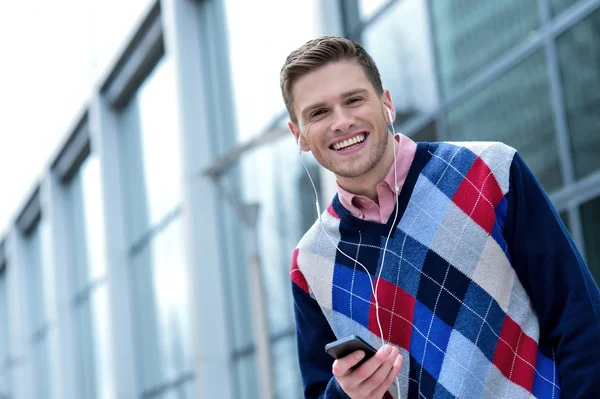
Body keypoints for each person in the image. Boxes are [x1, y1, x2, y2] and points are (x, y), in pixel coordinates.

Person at [281, 36, 600, 399]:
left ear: (387, 104)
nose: (341, 122)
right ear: (300, 136)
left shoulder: (489, 171)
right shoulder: (309, 262)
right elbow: (319, 390)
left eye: (353, 100)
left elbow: (580, 320)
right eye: (319, 113)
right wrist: (345, 393)